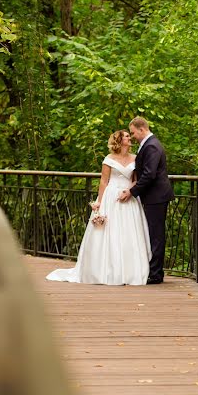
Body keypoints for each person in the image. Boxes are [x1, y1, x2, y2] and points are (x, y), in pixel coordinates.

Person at [46, 130, 151, 285]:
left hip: (128, 197)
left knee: (129, 233)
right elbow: (103, 182)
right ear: (119, 140)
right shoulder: (109, 159)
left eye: (130, 135)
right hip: (111, 198)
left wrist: (130, 191)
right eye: (127, 136)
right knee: (110, 233)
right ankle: (106, 271)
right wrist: (99, 204)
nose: (130, 138)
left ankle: (130, 272)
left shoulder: (136, 159)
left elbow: (137, 180)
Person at [118, 117, 174, 284]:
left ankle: (156, 274)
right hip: (153, 196)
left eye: (134, 133)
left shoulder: (152, 146)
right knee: (152, 233)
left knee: (156, 235)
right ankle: (153, 271)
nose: (133, 136)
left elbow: (149, 174)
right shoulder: (149, 145)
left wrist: (132, 191)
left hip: (156, 196)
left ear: (141, 129)